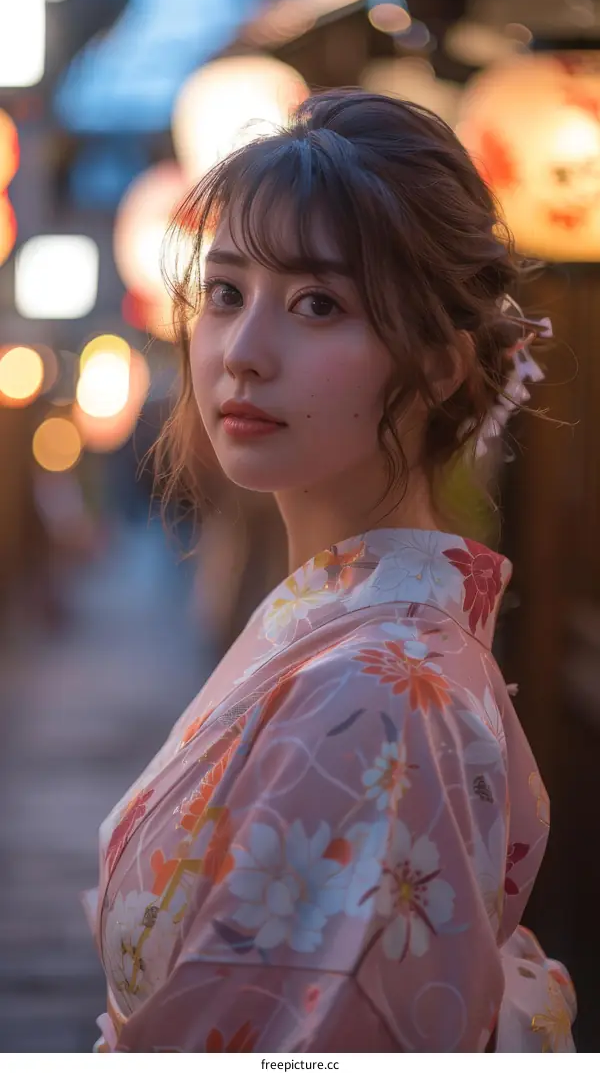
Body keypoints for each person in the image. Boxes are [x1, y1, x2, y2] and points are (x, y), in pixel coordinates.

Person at [83, 90, 576, 1053]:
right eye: (225, 293)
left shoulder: (379, 692)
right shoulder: (360, 641)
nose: (244, 354)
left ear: (437, 364)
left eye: (318, 304)